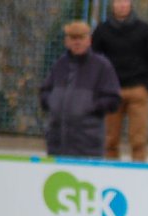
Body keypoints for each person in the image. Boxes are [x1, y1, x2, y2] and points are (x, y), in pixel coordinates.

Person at [91, 0, 148, 162]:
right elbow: (94, 59)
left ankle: (139, 171)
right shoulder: (102, 30)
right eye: (118, 2)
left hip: (138, 90)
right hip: (111, 92)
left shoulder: (145, 30)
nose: (122, 5)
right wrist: (100, 86)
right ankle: (111, 172)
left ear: (130, 4)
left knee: (138, 141)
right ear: (112, 4)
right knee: (110, 140)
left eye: (125, 1)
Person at [39, 21, 121, 158]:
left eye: (81, 38)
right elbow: (45, 91)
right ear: (66, 41)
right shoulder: (59, 65)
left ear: (89, 40)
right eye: (73, 38)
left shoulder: (101, 66)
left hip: (88, 143)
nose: (77, 42)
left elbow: (113, 99)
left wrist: (91, 107)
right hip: (57, 142)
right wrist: (52, 102)